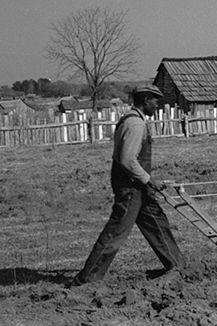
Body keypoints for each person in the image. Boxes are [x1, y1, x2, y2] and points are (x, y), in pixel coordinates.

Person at [69, 85, 184, 287]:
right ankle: (88, 279)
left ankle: (178, 267)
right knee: (116, 231)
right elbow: (127, 160)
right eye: (155, 101)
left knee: (157, 224)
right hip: (131, 187)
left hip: (137, 185)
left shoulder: (133, 120)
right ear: (146, 99)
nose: (157, 105)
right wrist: (149, 180)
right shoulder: (135, 124)